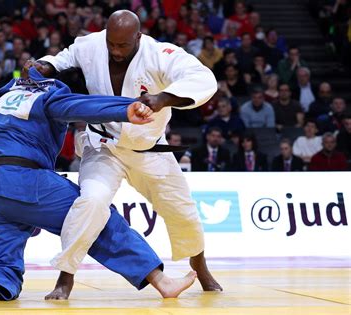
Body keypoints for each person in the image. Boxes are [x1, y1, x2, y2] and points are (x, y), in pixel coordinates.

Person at [0, 65, 196, 305]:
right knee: (95, 215)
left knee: (3, 269)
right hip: (21, 180)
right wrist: (126, 108)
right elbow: (78, 106)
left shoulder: (2, 100)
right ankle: (162, 280)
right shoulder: (48, 95)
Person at [37, 10, 222, 297]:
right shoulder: (90, 45)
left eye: (123, 45)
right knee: (91, 201)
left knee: (182, 211)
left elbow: (203, 79)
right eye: (111, 43)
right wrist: (42, 65)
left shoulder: (161, 54)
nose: (115, 50)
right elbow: (60, 59)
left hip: (150, 150)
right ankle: (66, 276)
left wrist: (163, 99)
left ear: (138, 36)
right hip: (104, 147)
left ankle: (200, 265)